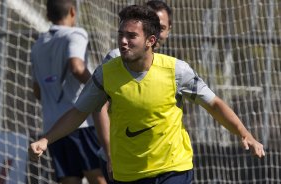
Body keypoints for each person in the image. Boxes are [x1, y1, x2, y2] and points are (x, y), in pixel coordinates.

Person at [29, 4, 265, 184]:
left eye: (131, 36)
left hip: (173, 167)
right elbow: (79, 112)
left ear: (151, 40)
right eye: (121, 34)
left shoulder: (176, 70)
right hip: (129, 173)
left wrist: (244, 133)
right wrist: (46, 139)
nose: (123, 41)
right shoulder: (106, 73)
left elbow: (214, 104)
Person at [93, 0, 173, 179]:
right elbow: (98, 107)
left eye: (162, 27)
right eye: (154, 26)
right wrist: (110, 154)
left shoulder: (172, 66)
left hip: (157, 165)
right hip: (121, 160)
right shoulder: (117, 59)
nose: (157, 32)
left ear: (168, 30)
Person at [30, 0, 107, 183]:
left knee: (69, 180)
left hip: (52, 128)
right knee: (99, 178)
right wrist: (100, 89)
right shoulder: (76, 34)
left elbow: (37, 91)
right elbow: (77, 67)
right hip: (80, 124)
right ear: (73, 11)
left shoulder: (38, 44)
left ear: (48, 16)